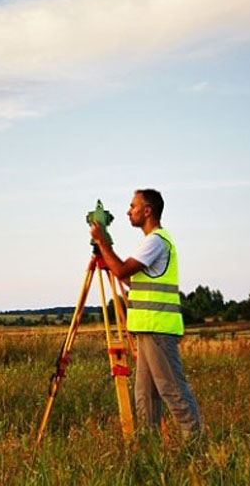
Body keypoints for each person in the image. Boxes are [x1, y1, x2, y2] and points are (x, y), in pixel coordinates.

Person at [89, 188, 202, 439]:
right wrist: (106, 251)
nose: (129, 212)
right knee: (145, 396)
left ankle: (195, 447)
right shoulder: (152, 242)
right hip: (148, 329)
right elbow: (131, 280)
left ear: (147, 211)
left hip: (158, 328)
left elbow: (120, 271)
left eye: (133, 206)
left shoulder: (156, 241)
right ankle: (149, 450)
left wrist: (101, 242)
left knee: (173, 391)